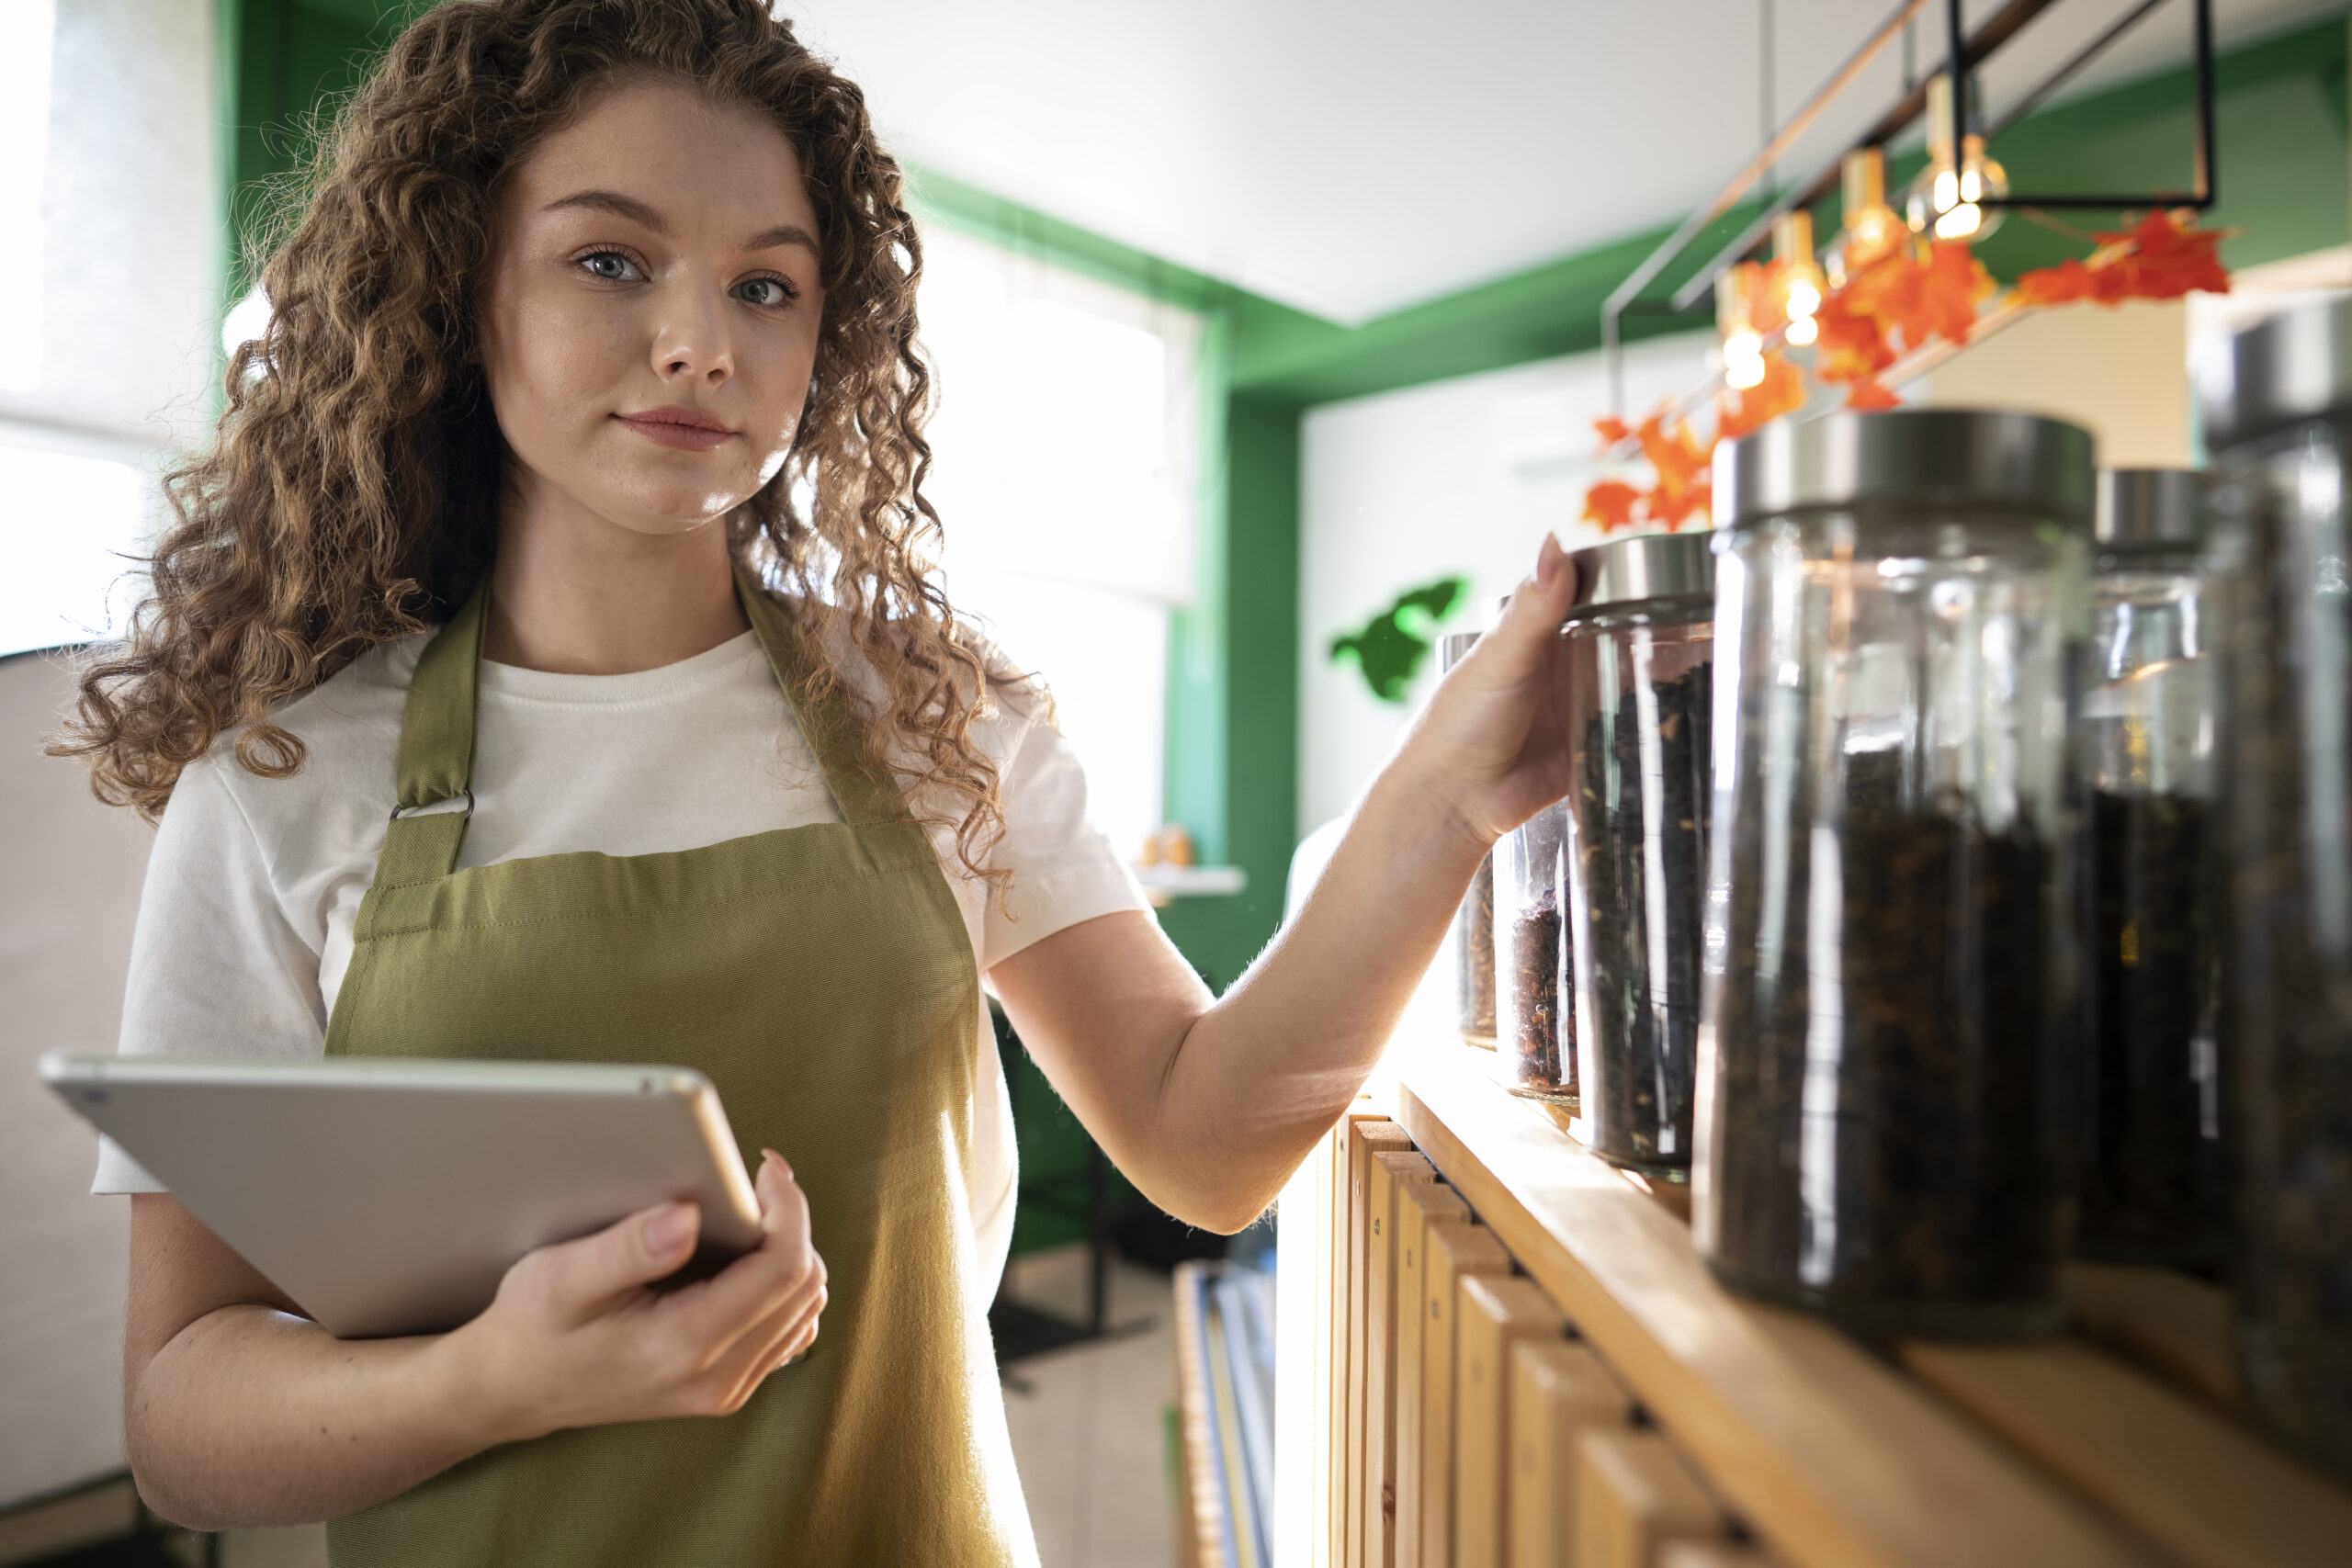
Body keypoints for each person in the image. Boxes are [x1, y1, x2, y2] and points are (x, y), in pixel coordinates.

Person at [56, 1, 1577, 1562]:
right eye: (610, 260)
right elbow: (182, 1425)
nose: (703, 341)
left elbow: (1207, 1143)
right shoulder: (282, 791)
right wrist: (487, 1383)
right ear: (457, 291)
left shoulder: (939, 721)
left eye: (765, 285)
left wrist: (1446, 799)